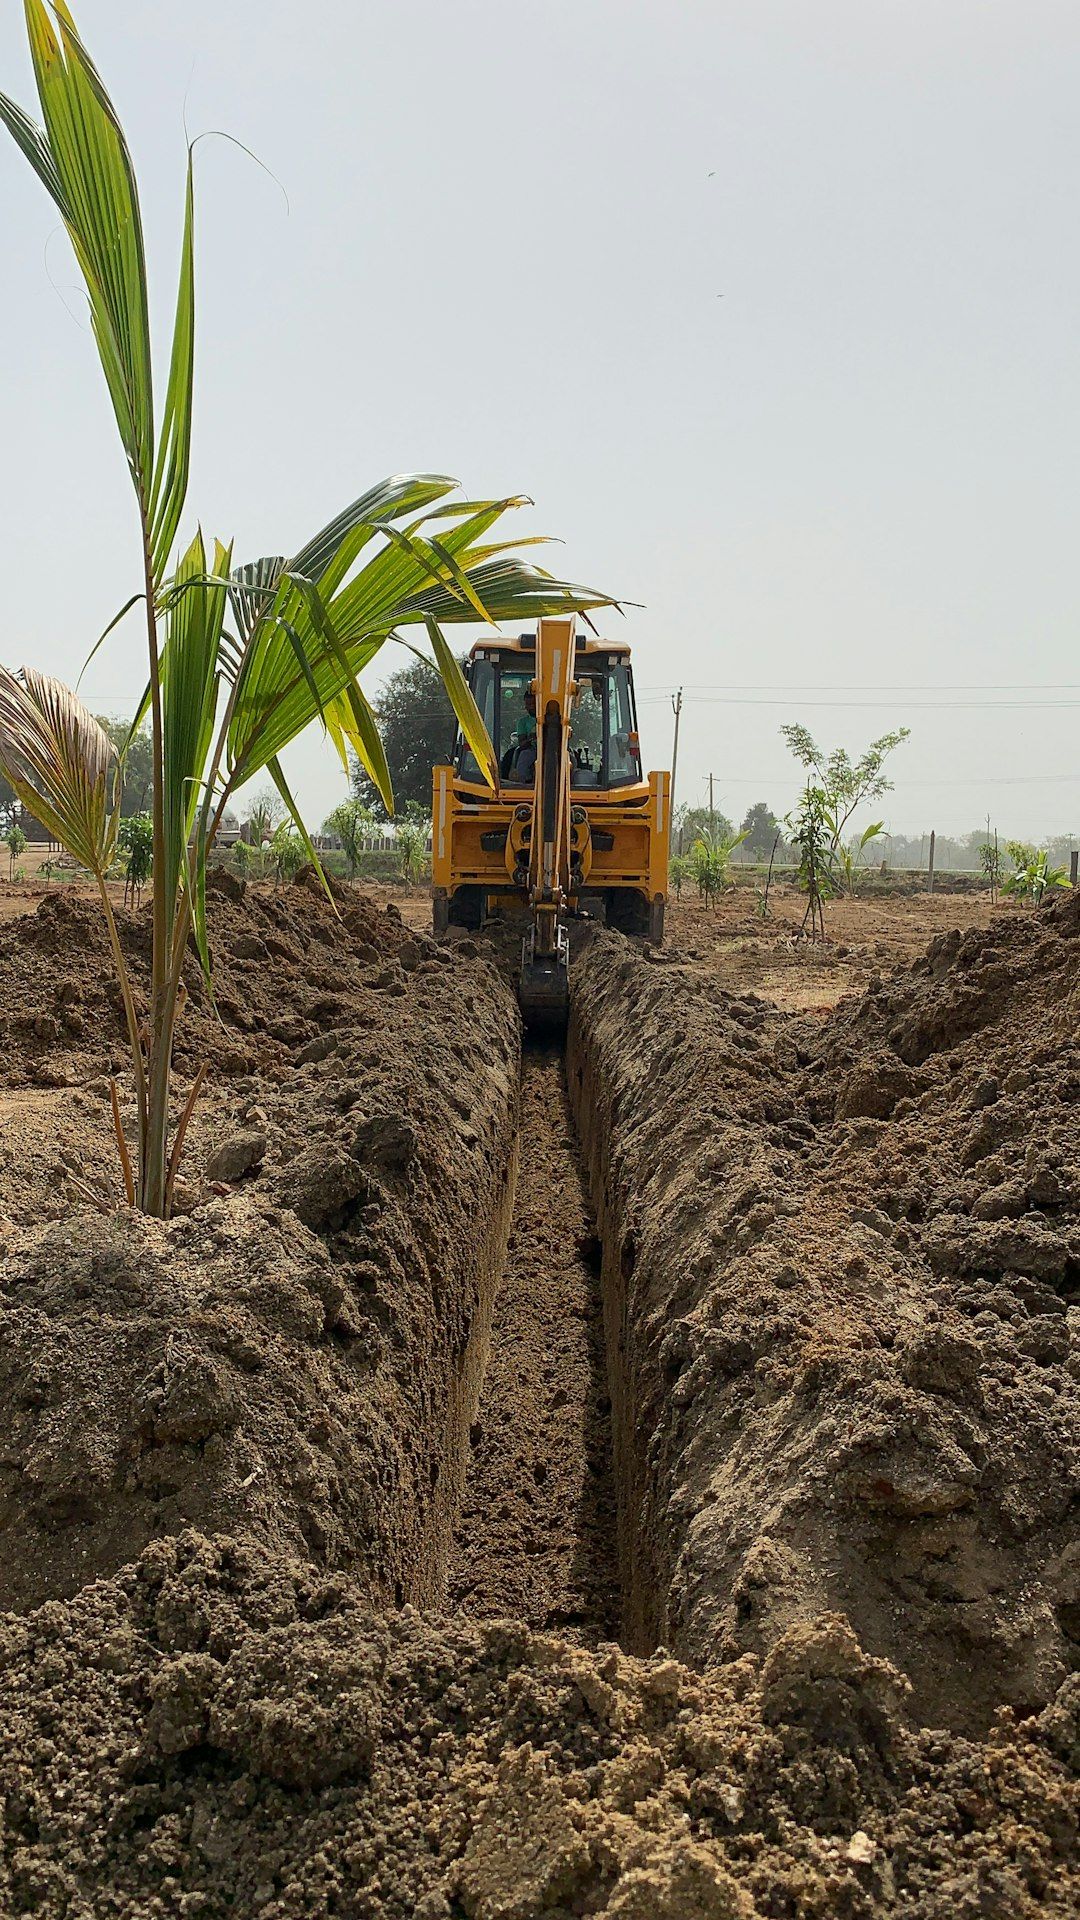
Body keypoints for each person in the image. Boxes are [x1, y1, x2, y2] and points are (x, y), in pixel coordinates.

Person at [502, 688, 537, 781]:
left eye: (533, 704)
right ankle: (521, 782)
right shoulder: (523, 722)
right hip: (533, 749)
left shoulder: (553, 719)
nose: (531, 707)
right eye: (528, 704)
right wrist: (532, 738)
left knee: (570, 758)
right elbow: (522, 743)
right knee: (524, 756)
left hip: (553, 750)